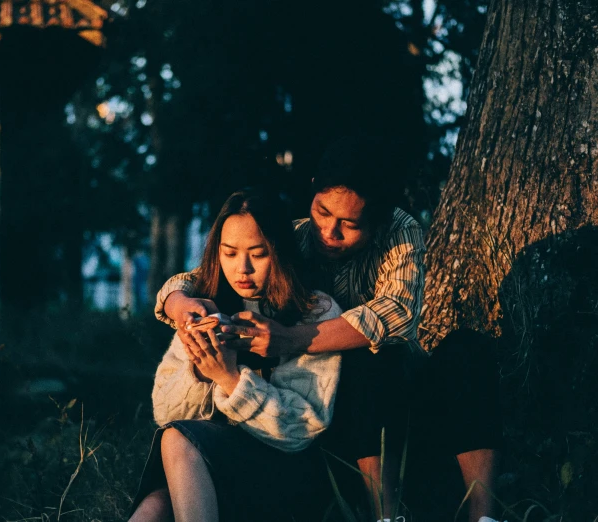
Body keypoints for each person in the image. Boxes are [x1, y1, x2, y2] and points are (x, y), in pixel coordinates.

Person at [156, 138, 503, 522]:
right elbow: (207, 274)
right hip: (323, 405)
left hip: (392, 387)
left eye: (349, 224)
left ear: (377, 219)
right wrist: (176, 302)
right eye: (322, 212)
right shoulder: (298, 236)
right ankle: (384, 515)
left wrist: (291, 339)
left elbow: (397, 313)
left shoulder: (400, 231)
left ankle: (482, 515)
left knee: (456, 350)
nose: (329, 232)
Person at [129, 188, 344, 522]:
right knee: (154, 506)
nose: (242, 268)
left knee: (177, 441)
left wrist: (229, 379)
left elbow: (302, 429)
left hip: (289, 475)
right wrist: (199, 373)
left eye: (258, 254)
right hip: (212, 462)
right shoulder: (207, 304)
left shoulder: (313, 311)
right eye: (229, 253)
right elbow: (165, 411)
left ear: (280, 251)